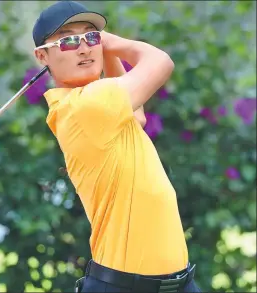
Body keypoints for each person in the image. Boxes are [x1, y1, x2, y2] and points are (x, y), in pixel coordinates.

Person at [33, 1, 201, 292]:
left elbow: (137, 115)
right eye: (69, 40)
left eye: (91, 36)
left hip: (180, 283)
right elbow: (160, 62)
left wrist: (103, 49)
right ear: (42, 56)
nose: (84, 48)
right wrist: (112, 42)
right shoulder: (85, 105)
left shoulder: (100, 104)